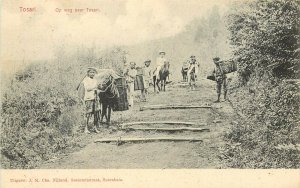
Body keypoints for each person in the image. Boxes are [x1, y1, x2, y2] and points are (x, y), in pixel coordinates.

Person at [78, 67, 101, 133]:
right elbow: (87, 88)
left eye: (93, 72)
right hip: (88, 98)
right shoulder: (86, 80)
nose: (92, 74)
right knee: (88, 113)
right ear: (88, 73)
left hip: (95, 98)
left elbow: (96, 88)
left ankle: (95, 127)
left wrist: (98, 90)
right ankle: (86, 128)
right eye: (91, 72)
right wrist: (95, 87)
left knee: (96, 113)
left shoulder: (95, 80)